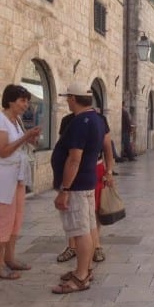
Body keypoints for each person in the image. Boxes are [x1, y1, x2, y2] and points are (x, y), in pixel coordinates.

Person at [51, 82, 106, 294]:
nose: (67, 101)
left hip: (76, 186)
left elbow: (74, 159)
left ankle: (81, 277)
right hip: (87, 181)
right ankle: (86, 268)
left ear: (73, 98)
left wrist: (64, 190)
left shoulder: (80, 122)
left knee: (80, 231)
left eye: (68, 98)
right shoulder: (97, 119)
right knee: (89, 228)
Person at [56, 108, 114, 264]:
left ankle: (96, 246)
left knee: (94, 209)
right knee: (72, 209)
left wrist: (109, 171)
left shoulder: (99, 119)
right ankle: (72, 246)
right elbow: (64, 148)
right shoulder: (67, 120)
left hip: (95, 168)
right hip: (73, 171)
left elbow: (108, 147)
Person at [0, 84, 41, 280]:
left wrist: (29, 138)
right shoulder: (1, 120)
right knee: (3, 221)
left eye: (27, 101)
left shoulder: (16, 121)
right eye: (23, 100)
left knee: (16, 219)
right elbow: (3, 151)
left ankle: (10, 258)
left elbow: (17, 145)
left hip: (17, 177)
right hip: (4, 179)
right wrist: (25, 136)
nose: (26, 105)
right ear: (10, 101)